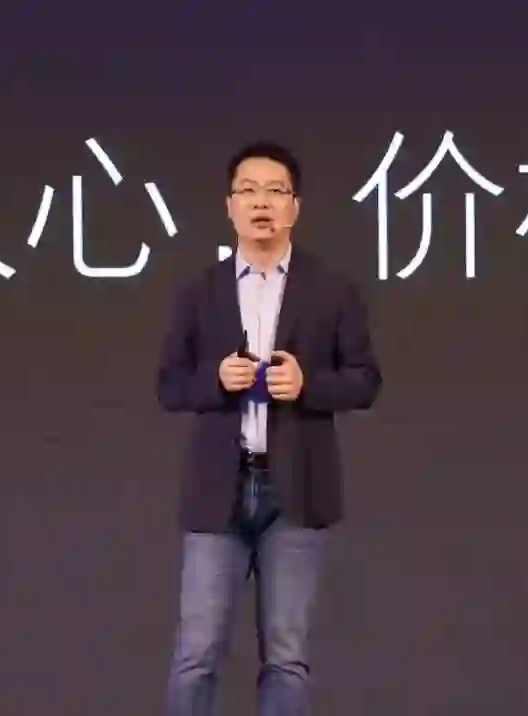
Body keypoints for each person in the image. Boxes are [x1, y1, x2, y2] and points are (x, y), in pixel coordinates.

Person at [156, 140, 383, 715]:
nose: (262, 202)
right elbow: (170, 386)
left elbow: (365, 381)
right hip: (218, 492)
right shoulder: (199, 291)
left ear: (295, 207)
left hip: (296, 492)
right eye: (249, 191)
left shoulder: (332, 290)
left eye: (276, 191)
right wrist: (216, 378)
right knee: (196, 654)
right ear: (229, 205)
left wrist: (309, 384)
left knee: (286, 657)